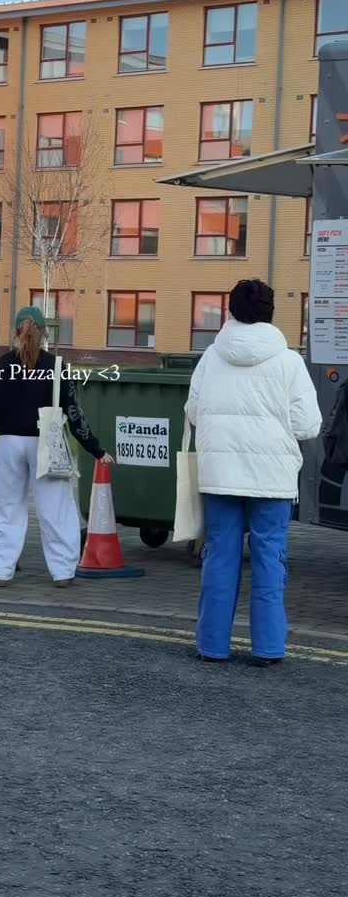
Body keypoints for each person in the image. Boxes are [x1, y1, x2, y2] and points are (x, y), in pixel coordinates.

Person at [187, 279, 321, 665]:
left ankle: (212, 644)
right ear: (271, 312)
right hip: (272, 475)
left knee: (220, 557)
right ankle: (267, 647)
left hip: (220, 473)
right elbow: (308, 425)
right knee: (269, 558)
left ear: (230, 311)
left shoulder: (211, 357)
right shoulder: (289, 361)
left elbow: (195, 413)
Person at [0, 306, 113, 588]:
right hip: (47, 439)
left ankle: (0, 570)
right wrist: (96, 449)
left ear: (16, 330)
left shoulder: (2, 363)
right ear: (44, 333)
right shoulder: (56, 366)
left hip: (7, 442)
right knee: (56, 508)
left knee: (5, 507)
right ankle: (62, 571)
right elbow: (74, 413)